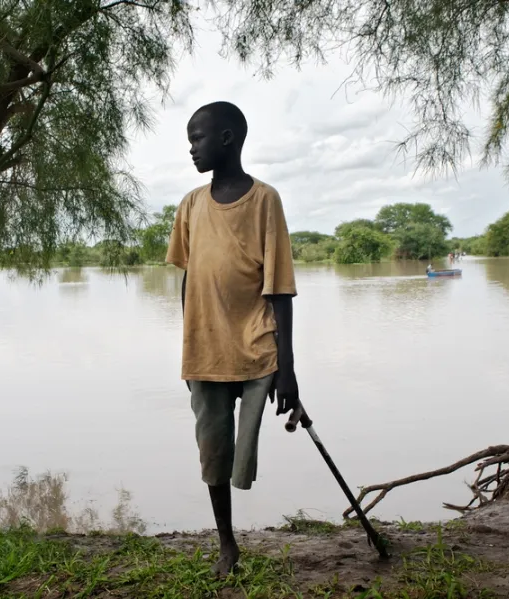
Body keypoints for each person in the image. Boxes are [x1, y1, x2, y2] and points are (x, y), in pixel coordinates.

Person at [165, 101, 300, 577]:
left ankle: (235, 530)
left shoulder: (265, 200)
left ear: (227, 138)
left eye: (197, 138)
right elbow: (189, 278)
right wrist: (188, 339)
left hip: (257, 342)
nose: (191, 148)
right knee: (213, 450)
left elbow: (280, 288)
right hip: (205, 349)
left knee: (244, 450)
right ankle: (227, 544)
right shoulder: (191, 205)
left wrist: (289, 371)